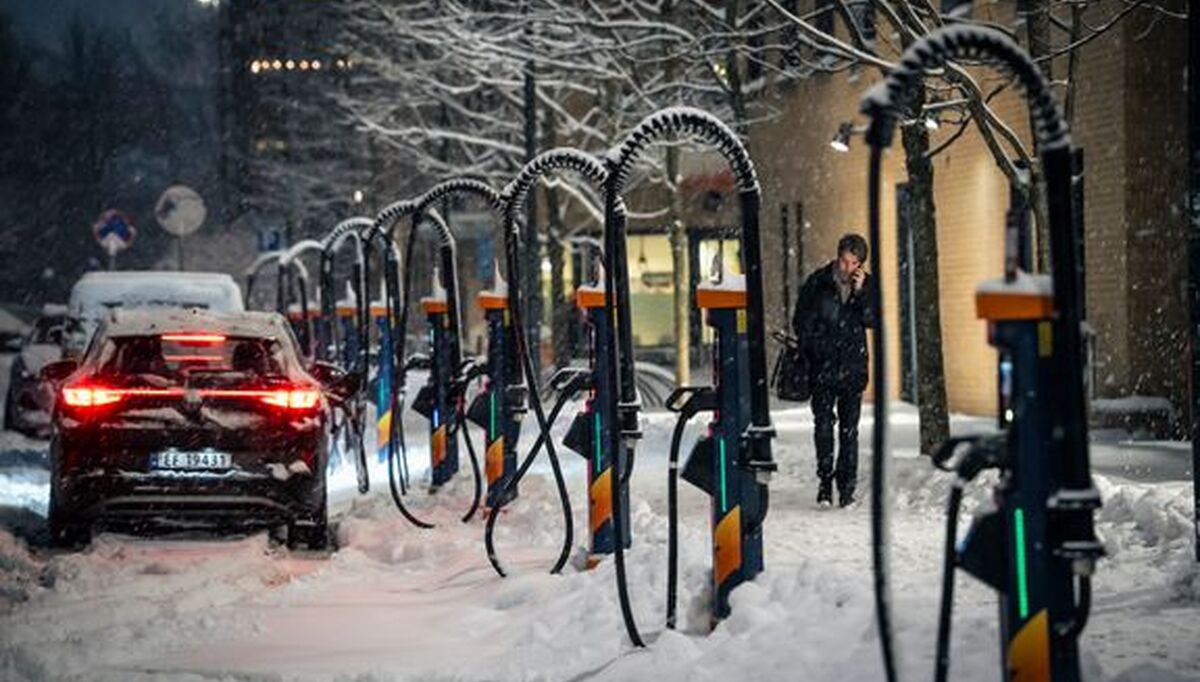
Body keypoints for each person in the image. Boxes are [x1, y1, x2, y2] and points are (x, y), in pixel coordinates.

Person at [791, 233, 876, 508]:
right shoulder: (818, 282)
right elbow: (801, 320)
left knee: (849, 431)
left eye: (854, 263)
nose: (847, 267)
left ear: (861, 264)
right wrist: (817, 344)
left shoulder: (867, 285)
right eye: (844, 260)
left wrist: (862, 293)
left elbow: (873, 319)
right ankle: (825, 482)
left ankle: (847, 488)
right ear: (837, 257)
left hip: (852, 369)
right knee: (824, 427)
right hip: (823, 368)